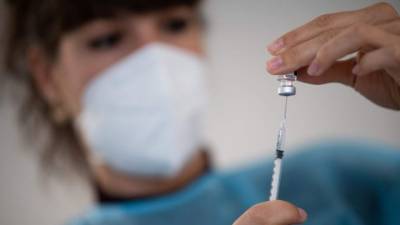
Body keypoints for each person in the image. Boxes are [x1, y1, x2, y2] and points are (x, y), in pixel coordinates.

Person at [1, 1, 399, 225]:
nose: (155, 62)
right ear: (47, 77)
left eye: (174, 24)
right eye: (107, 39)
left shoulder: (346, 180)